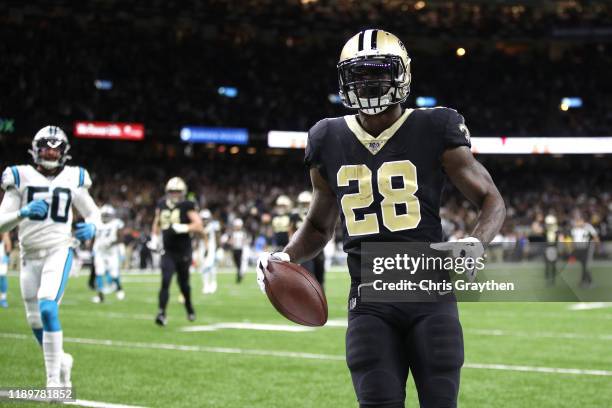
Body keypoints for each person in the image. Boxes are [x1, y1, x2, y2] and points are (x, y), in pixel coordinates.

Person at [257, 30, 505, 408]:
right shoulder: (326, 137)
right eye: (358, 75)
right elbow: (321, 226)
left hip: (429, 294)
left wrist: (475, 242)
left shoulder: (435, 125)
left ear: (402, 74)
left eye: (378, 73)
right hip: (369, 300)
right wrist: (286, 257)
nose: (368, 83)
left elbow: (491, 199)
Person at [0, 125, 100, 388]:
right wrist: (22, 213)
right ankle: (63, 361)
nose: (51, 153)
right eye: (46, 147)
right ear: (36, 149)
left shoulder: (73, 177)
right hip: (29, 255)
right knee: (34, 319)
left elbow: (92, 213)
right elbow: (1, 223)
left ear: (64, 152)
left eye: (56, 149)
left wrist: (93, 227)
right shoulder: (19, 176)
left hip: (59, 249)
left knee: (47, 307)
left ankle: (53, 381)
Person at [150, 177, 202, 326]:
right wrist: (154, 238)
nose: (175, 194)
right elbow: (157, 221)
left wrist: (183, 227)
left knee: (183, 284)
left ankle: (189, 307)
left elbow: (198, 225)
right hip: (168, 250)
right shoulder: (161, 204)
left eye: (177, 191)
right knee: (165, 280)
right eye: (172, 191)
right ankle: (161, 313)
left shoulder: (187, 205)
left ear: (183, 192)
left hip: (183, 251)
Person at [290, 191, 326, 287]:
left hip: (318, 248)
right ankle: (310, 300)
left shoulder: (318, 214)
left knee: (320, 277)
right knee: (308, 276)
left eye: (307, 203)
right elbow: (291, 231)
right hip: (305, 249)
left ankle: (321, 300)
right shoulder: (295, 216)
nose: (305, 205)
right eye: (303, 203)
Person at [92, 204, 125, 302]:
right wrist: (93, 249)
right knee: (99, 272)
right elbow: (94, 238)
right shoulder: (97, 223)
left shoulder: (116, 223)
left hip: (112, 252)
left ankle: (119, 288)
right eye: (104, 215)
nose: (105, 217)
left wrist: (111, 243)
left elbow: (121, 238)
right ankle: (100, 295)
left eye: (107, 215)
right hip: (100, 252)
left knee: (114, 274)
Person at [570, 214, 599, 288]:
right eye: (577, 221)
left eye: (579, 221)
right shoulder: (574, 229)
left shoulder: (587, 227)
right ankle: (587, 281)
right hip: (578, 249)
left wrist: (596, 246)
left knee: (585, 266)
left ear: (583, 221)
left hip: (586, 248)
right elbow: (574, 240)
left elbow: (595, 237)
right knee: (584, 265)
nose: (578, 222)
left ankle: (585, 281)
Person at [198, 209, 220, 294]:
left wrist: (218, 247)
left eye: (206, 218)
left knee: (210, 266)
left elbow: (217, 236)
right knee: (203, 266)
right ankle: (205, 285)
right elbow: (198, 237)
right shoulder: (199, 225)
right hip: (202, 246)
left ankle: (213, 283)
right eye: (203, 218)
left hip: (211, 247)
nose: (204, 220)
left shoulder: (213, 225)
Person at [0, 232, 11, 308]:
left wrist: (7, 255)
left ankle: (3, 299)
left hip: (1, 256)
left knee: (2, 277)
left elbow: (7, 240)